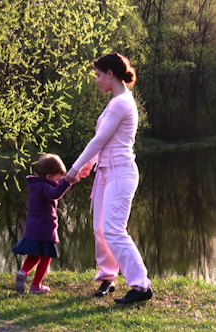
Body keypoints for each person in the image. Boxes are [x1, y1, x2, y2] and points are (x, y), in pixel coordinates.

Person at [65, 53, 153, 304]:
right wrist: (88, 166)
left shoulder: (121, 103)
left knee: (114, 229)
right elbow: (105, 144)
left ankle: (141, 286)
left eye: (98, 75)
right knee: (100, 229)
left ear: (110, 74)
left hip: (121, 173)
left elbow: (100, 140)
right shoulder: (115, 102)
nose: (96, 81)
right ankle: (108, 276)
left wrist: (74, 168)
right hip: (105, 172)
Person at [12, 153, 78, 294]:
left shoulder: (36, 186)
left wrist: (66, 181)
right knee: (46, 257)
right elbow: (54, 194)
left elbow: (54, 190)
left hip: (32, 228)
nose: (59, 182)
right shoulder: (45, 188)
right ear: (48, 177)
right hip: (45, 228)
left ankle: (23, 272)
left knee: (33, 256)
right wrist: (67, 182)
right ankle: (36, 285)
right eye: (58, 179)